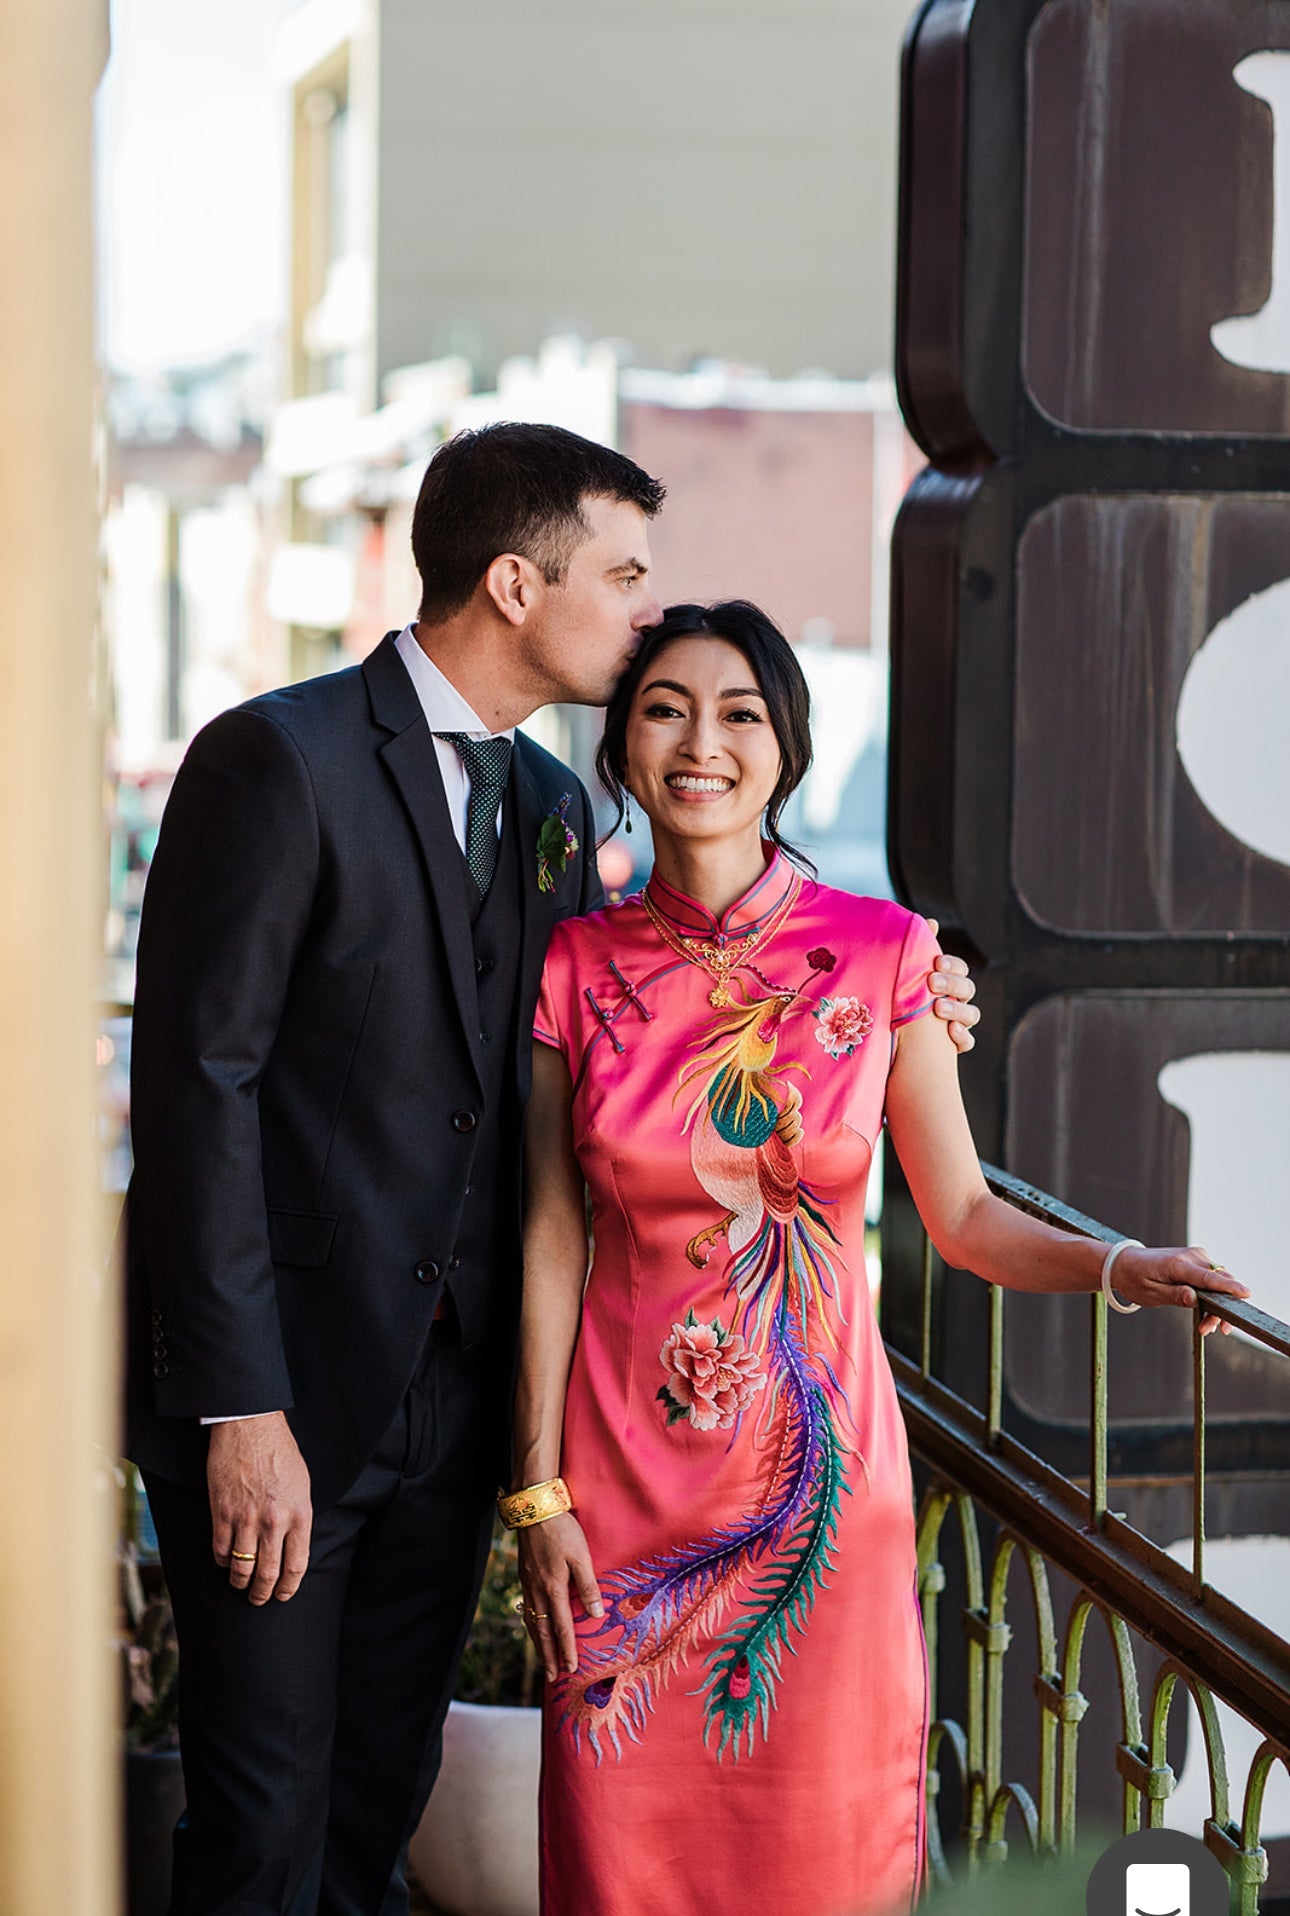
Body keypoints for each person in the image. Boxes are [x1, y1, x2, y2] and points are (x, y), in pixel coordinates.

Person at [123, 425, 984, 1916]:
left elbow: (597, 1045)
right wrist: (237, 1407)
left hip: (453, 1428)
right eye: (626, 575)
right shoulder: (279, 758)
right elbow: (200, 1095)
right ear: (517, 583)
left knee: (367, 1826)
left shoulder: (551, 810)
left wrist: (917, 1001)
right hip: (286, 1408)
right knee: (256, 1831)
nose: (648, 609)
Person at [510, 601, 1249, 1916]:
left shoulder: (885, 953)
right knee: (617, 1860)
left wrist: (1117, 1264)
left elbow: (959, 1216)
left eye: (739, 713)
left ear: (786, 748)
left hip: (817, 1511)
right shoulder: (576, 967)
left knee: (817, 1863)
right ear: (621, 748)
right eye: (664, 710)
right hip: (621, 1512)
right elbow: (554, 1236)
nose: (700, 743)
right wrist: (538, 1499)